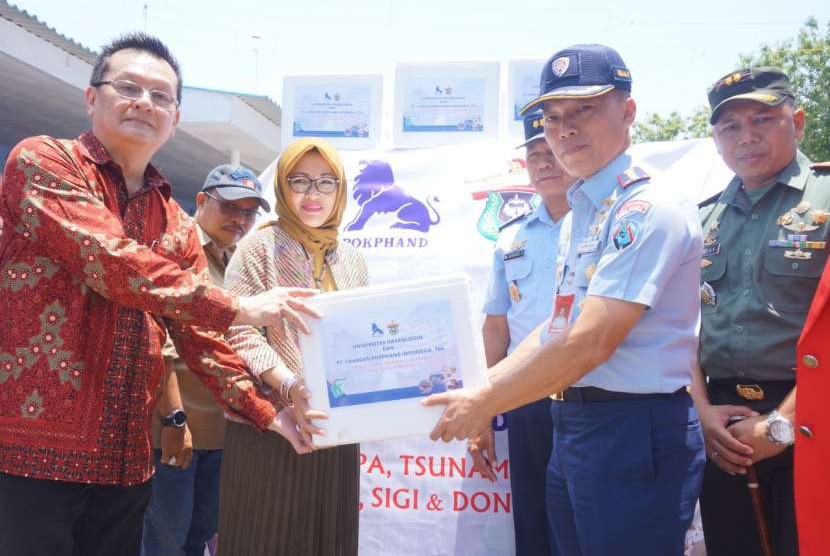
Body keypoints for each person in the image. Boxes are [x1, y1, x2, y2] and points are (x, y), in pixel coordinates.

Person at [0, 33, 315, 556]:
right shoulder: (42, 162)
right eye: (128, 87)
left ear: (175, 116)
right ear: (91, 97)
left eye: (161, 96)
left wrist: (269, 410)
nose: (144, 102)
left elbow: (198, 336)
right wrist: (234, 304)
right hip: (30, 454)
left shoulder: (173, 222)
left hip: (125, 460)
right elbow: (111, 259)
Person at [424, 44, 705, 555]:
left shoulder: (646, 207)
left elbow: (590, 340)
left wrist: (483, 400)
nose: (564, 128)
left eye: (584, 109)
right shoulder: (582, 211)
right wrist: (480, 389)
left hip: (631, 429)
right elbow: (557, 327)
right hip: (572, 423)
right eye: (553, 116)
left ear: (629, 111)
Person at [692, 67, 830, 556]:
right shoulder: (701, 219)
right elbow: (682, 327)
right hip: (723, 430)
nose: (745, 136)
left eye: (764, 118)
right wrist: (702, 411)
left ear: (798, 121)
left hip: (816, 419)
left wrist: (781, 425)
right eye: (730, 126)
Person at [218, 137, 369, 556]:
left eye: (326, 182)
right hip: (270, 423)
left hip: (334, 426)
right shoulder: (258, 247)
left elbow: (360, 331)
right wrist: (287, 386)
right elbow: (239, 331)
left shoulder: (351, 257)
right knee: (268, 536)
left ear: (340, 190)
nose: (312, 194)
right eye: (300, 181)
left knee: (327, 535)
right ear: (283, 187)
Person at [141, 164, 270, 556]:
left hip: (221, 431)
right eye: (231, 206)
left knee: (199, 540)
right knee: (164, 543)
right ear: (202, 201)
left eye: (250, 212)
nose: (240, 219)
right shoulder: (176, 245)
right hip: (176, 433)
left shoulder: (236, 261)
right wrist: (173, 419)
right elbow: (157, 337)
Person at [472, 109, 574, 556]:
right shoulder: (510, 239)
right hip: (527, 400)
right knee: (533, 525)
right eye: (534, 155)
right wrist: (480, 412)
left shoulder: (609, 223)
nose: (544, 162)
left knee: (589, 527)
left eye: (551, 152)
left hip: (593, 396)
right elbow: (496, 329)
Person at [795, 240, 830, 556]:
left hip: (809, 410)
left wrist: (780, 421)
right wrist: (703, 409)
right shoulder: (707, 214)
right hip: (719, 420)